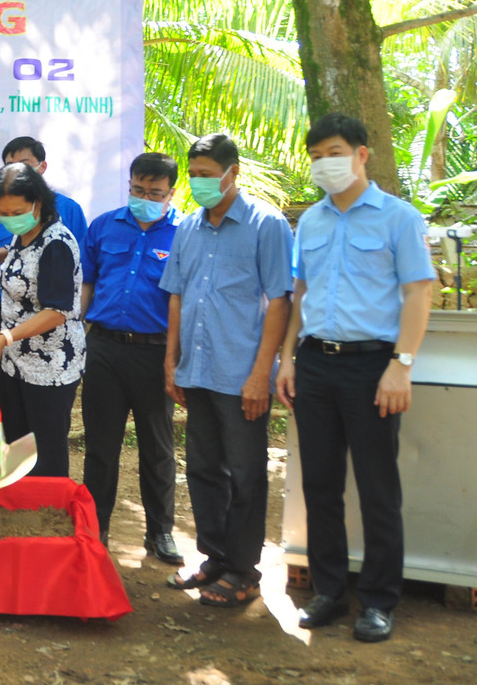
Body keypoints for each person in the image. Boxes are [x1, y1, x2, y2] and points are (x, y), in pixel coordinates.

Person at [278, 114, 434, 643]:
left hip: (373, 367)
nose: (325, 164)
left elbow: (419, 292)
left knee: (377, 488)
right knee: (320, 485)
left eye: (335, 152)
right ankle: (328, 590)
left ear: (362, 154)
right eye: (316, 156)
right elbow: (301, 294)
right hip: (316, 363)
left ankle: (379, 601)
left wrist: (401, 365)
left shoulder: (399, 218)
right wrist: (288, 358)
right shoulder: (311, 222)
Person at [160, 132, 293, 606]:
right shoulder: (188, 227)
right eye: (193, 174)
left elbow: (280, 300)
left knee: (245, 473)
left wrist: (261, 373)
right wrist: (171, 360)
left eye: (207, 175)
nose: (199, 182)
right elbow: (177, 294)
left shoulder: (266, 224)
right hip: (198, 370)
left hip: (242, 375)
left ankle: (244, 571)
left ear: (232, 173)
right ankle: (215, 557)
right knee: (202, 469)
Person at [79, 152, 184, 562]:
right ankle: (95, 528)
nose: (145, 198)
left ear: (171, 193)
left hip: (156, 354)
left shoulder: (184, 234)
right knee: (100, 446)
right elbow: (88, 283)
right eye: (138, 190)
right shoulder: (104, 226)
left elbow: (184, 299)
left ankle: (160, 532)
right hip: (104, 348)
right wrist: (78, 332)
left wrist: (175, 359)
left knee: (157, 448)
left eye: (155, 193)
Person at [0, 164, 86, 478]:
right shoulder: (24, 234)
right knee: (18, 444)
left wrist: (5, 337)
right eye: (3, 213)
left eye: (17, 212)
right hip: (15, 361)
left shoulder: (57, 243)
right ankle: (18, 501)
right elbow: (18, 254)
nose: (10, 219)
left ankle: (47, 506)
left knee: (45, 453)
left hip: (49, 367)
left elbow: (56, 311)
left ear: (38, 203)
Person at [0, 137, 88, 250]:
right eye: (10, 166)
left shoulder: (69, 209)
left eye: (24, 164)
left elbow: (82, 255)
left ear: (42, 166)